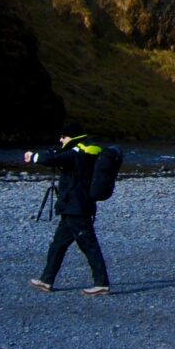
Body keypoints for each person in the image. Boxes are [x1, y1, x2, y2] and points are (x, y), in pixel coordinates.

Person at [25, 121, 111, 295]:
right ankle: (46, 280)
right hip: (73, 207)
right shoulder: (84, 151)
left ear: (70, 137)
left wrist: (33, 157)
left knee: (89, 246)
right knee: (58, 245)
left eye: (63, 137)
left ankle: (101, 283)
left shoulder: (76, 153)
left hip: (77, 208)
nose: (60, 139)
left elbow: (53, 159)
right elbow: (59, 156)